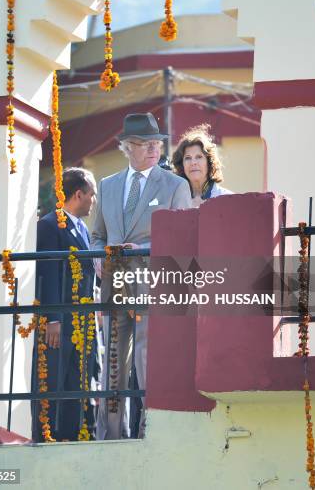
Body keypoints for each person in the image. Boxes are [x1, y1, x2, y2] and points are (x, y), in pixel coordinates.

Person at [91, 112, 192, 440]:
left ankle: (154, 429)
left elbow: (185, 237)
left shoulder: (176, 186)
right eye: (145, 144)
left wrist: (146, 247)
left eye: (157, 143)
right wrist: (97, 257)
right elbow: (97, 235)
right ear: (127, 147)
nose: (153, 149)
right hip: (115, 283)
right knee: (114, 363)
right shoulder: (107, 186)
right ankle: (112, 433)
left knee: (149, 359)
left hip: (154, 282)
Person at [32, 167, 98, 442]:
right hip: (61, 322)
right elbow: (48, 273)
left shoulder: (81, 227)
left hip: (81, 321)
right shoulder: (50, 225)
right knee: (54, 379)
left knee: (77, 380)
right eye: (92, 195)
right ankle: (48, 435)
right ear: (79, 194)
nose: (94, 201)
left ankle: (74, 435)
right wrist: (53, 319)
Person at [172, 124, 232, 207]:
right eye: (188, 158)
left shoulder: (227, 199)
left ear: (209, 162)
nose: (193, 162)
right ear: (181, 165)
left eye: (199, 157)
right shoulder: (173, 201)